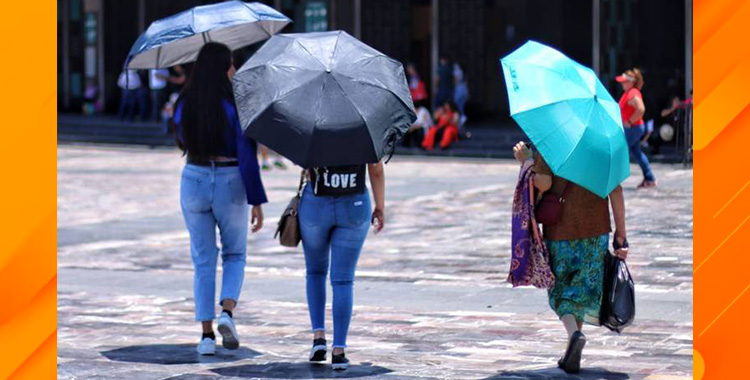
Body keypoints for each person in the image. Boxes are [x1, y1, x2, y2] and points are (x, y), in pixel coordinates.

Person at [173, 42, 267, 356]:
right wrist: (256, 198)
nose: (235, 71)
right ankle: (227, 312)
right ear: (225, 69)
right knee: (235, 254)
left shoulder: (185, 102)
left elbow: (178, 137)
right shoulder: (234, 104)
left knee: (202, 260)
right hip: (229, 178)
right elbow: (246, 152)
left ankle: (205, 336)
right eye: (232, 65)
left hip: (194, 177)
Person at [512, 141, 629, 374]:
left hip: (560, 230)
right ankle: (572, 352)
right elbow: (616, 190)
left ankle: (574, 334)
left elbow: (544, 182)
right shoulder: (603, 146)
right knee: (582, 289)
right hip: (597, 229)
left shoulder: (552, 142)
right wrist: (621, 235)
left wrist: (527, 161)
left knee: (560, 291)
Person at [299, 162, 386, 370]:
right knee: (343, 280)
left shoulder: (313, 128)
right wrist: (380, 207)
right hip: (354, 203)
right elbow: (375, 168)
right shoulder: (364, 130)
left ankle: (318, 336)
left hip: (316, 203)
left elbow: (300, 157)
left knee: (315, 271)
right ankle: (339, 350)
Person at [616, 68, 657, 188]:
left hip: (633, 128)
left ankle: (613, 181)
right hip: (635, 127)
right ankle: (649, 178)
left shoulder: (633, 93)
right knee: (637, 153)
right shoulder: (630, 92)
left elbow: (641, 109)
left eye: (624, 81)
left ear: (631, 82)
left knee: (621, 152)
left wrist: (629, 121)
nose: (622, 83)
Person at [453, 62, 469, 128]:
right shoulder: (463, 73)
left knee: (457, 105)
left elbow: (455, 81)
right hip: (464, 90)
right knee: (461, 105)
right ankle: (462, 117)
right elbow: (466, 84)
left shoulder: (457, 72)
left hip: (458, 89)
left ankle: (461, 117)